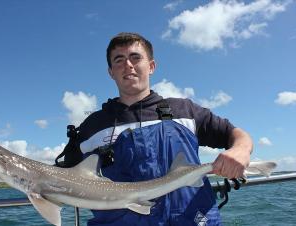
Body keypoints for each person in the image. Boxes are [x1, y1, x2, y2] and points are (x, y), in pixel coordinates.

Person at [60, 32, 253, 226]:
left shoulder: (184, 111)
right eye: (119, 60)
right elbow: (62, 177)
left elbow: (234, 134)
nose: (128, 64)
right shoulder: (91, 126)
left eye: (135, 57)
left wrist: (241, 150)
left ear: (151, 66)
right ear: (111, 72)